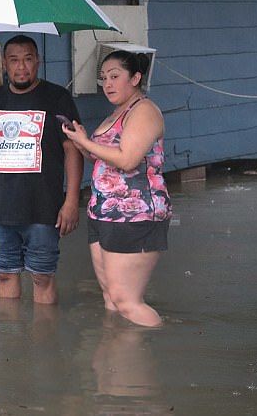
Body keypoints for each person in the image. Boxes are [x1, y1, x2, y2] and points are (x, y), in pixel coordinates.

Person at [0, 35, 83, 304]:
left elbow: (73, 149)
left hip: (44, 208)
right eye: (14, 60)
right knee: (5, 276)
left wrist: (72, 200)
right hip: (2, 209)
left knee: (43, 277)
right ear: (4, 65)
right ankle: (11, 338)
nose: (22, 67)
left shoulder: (57, 97)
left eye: (28, 59)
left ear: (38, 62)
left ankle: (44, 342)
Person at [61, 50, 170, 327]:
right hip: (104, 212)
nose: (107, 84)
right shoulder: (116, 113)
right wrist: (81, 142)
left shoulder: (144, 111)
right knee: (111, 297)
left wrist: (86, 144)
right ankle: (118, 355)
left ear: (135, 78)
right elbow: (103, 158)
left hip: (136, 215)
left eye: (114, 76)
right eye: (103, 78)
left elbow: (128, 159)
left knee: (127, 301)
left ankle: (155, 354)